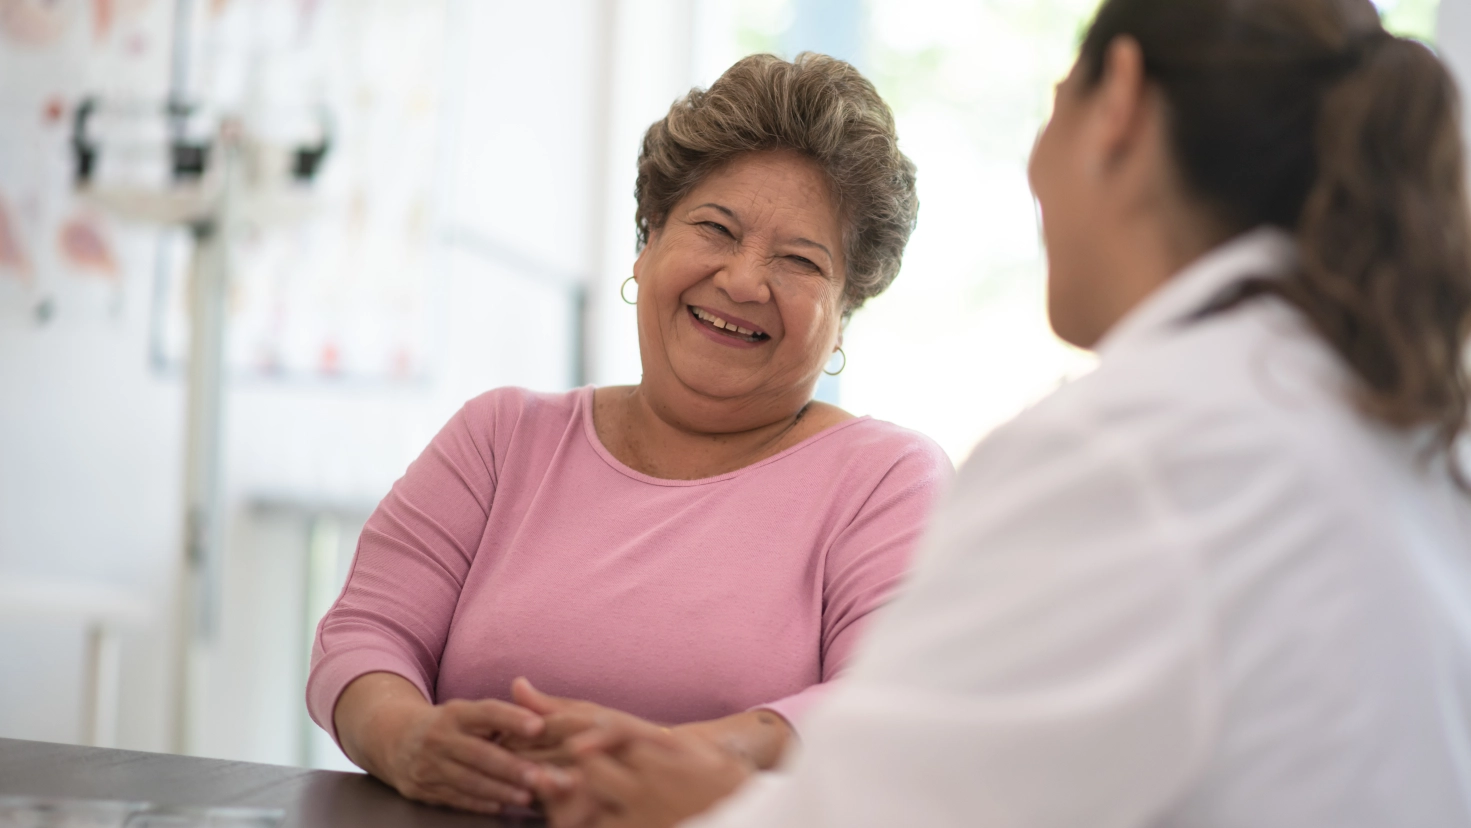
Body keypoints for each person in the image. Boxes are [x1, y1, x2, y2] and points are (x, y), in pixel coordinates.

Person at [531, 0, 1471, 825]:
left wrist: (697, 807)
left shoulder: (1132, 451)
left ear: (1120, 103)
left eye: (1053, 102)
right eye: (715, 229)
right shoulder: (1387, 413)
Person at [305, 53, 951, 816]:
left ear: (843, 312)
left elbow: (888, 702)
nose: (744, 280)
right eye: (716, 228)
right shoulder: (500, 436)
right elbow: (364, 633)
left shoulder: (887, 479)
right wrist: (405, 738)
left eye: (800, 261)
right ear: (647, 245)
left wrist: (701, 757)